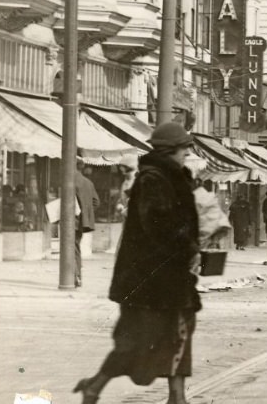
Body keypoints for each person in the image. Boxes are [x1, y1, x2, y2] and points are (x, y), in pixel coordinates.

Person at [73, 121, 201, 404]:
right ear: (170, 151)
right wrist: (188, 245)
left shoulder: (164, 177)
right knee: (142, 339)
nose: (186, 155)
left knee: (170, 334)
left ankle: (175, 396)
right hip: (155, 278)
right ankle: (96, 386)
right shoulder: (154, 180)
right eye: (183, 150)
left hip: (156, 277)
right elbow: (158, 226)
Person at [74, 166, 99, 288]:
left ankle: (75, 276)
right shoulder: (88, 182)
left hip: (72, 221)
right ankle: (77, 277)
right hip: (82, 222)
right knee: (76, 248)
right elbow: (96, 202)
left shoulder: (70, 181)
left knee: (71, 249)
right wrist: (85, 214)